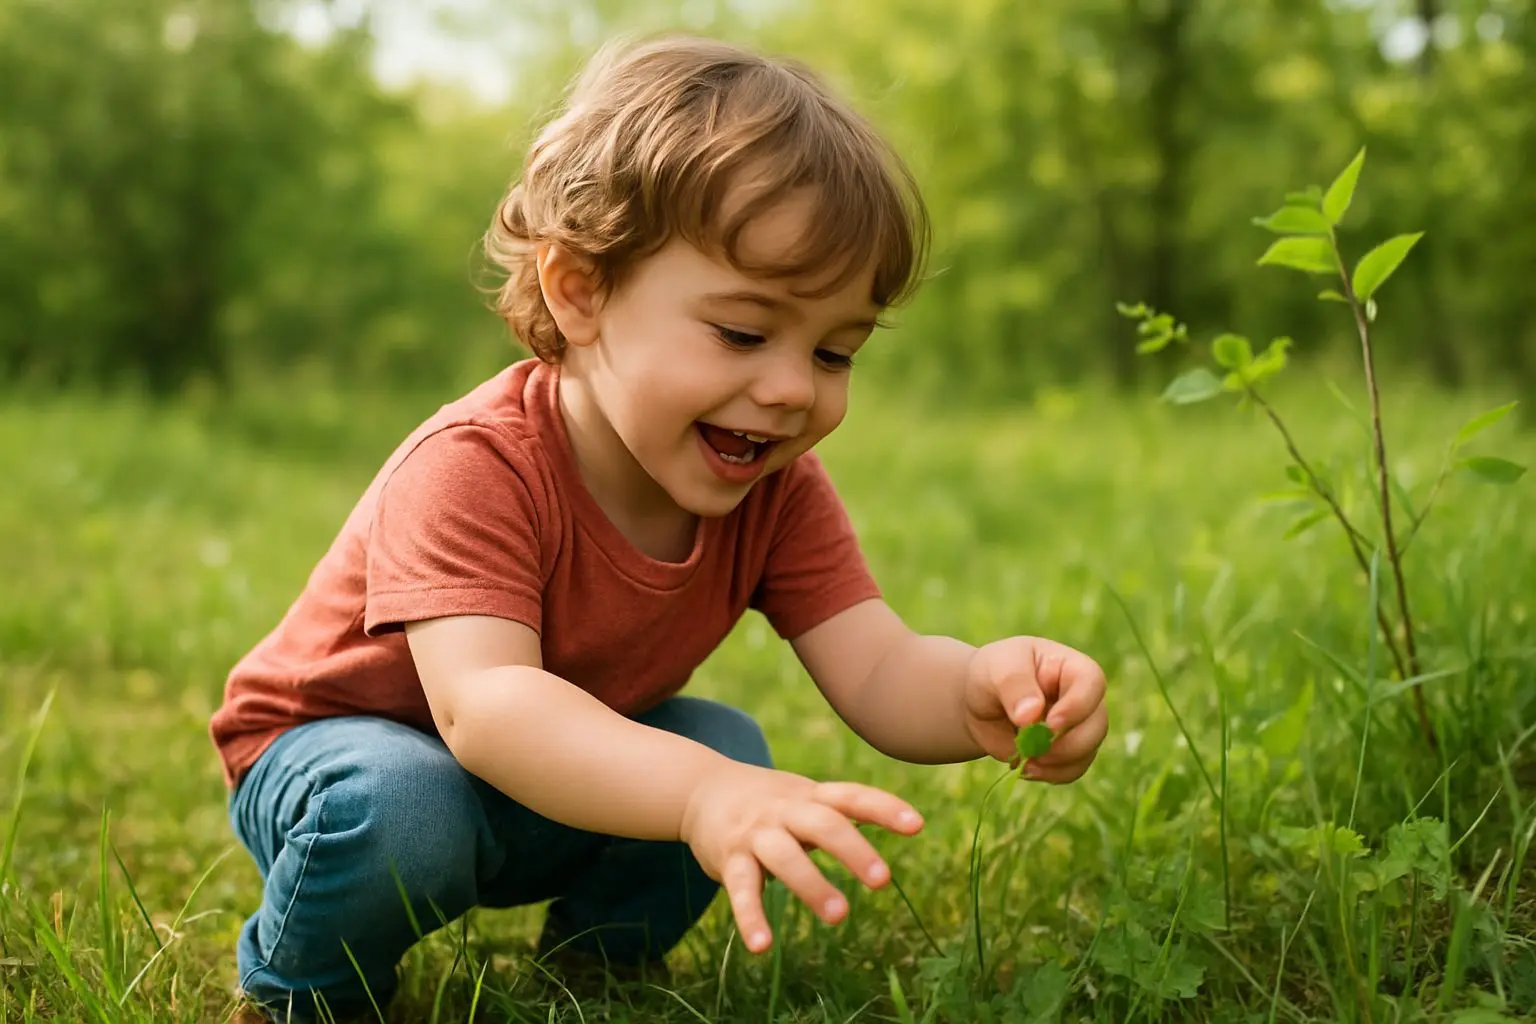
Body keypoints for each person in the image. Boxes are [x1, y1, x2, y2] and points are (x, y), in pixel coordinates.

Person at [211, 32, 1109, 1023]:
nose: (789, 390)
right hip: (346, 762)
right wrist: (696, 795)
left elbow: (880, 668)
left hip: (546, 782)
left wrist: (978, 689)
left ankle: (597, 966)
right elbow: (488, 708)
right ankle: (308, 989)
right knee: (413, 802)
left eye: (836, 351)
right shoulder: (477, 464)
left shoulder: (778, 492)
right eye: (742, 331)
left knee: (728, 742)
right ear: (579, 288)